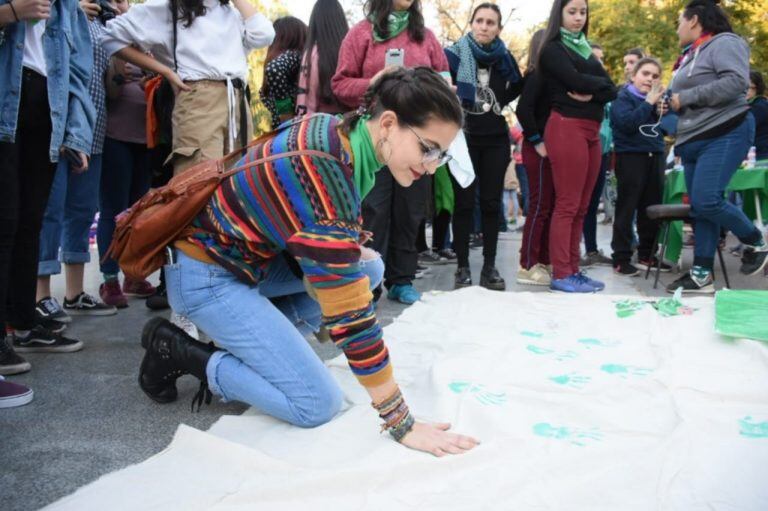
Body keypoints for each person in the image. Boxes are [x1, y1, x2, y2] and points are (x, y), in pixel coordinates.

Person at [138, 67, 479, 456]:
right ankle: (179, 351)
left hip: (246, 261)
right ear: (388, 123)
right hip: (207, 277)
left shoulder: (338, 130)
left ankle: (256, 344)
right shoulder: (325, 176)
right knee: (316, 403)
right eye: (428, 148)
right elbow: (352, 320)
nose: (433, 166)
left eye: (443, 154)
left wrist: (349, 245)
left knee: (370, 268)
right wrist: (400, 421)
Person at [332, 0, 449, 305]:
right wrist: (374, 83)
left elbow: (445, 81)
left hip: (419, 138)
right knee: (373, 209)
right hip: (376, 138)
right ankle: (367, 283)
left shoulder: (425, 36)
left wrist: (433, 89)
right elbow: (340, 84)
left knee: (411, 211)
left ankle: (402, 279)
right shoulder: (360, 34)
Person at [0, 0, 93, 374]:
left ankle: (23, 322)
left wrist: (76, 133)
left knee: (30, 222)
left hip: (45, 109)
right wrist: (12, 12)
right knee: (4, 220)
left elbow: (76, 73)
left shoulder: (67, 6)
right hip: (6, 102)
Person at [101, 0, 275, 176]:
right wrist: (166, 72)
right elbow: (110, 37)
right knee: (199, 184)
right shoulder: (170, 8)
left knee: (237, 184)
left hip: (237, 101)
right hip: (198, 99)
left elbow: (264, 35)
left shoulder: (232, 12)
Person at [667, 0, 767, 293]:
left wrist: (685, 98)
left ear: (694, 20)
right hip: (694, 137)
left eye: (679, 22)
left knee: (708, 199)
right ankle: (701, 274)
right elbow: (688, 95)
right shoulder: (690, 55)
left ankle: (755, 241)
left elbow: (736, 83)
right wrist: (670, 102)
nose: (677, 29)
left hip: (726, 131)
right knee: (699, 207)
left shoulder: (725, 42)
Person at [35, 0, 120, 327]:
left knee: (82, 210)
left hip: (92, 128)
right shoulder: (57, 11)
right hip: (56, 124)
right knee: (50, 209)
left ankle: (74, 292)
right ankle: (41, 296)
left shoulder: (102, 22)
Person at [538, 0, 617, 293]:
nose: (578, 18)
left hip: (592, 132)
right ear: (559, 14)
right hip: (566, 127)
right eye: (572, 12)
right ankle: (561, 272)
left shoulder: (585, 49)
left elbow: (612, 89)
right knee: (568, 204)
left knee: (584, 206)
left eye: (583, 12)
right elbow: (575, 81)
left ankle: (573, 269)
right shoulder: (553, 50)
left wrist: (591, 90)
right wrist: (597, 87)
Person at [445, 2, 522, 291]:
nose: (485, 26)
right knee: (463, 204)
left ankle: (489, 267)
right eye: (480, 20)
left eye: (491, 22)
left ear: (498, 28)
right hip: (463, 138)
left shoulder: (505, 58)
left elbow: (517, 84)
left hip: (495, 138)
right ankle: (462, 266)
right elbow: (440, 87)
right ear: (472, 23)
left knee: (491, 204)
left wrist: (499, 103)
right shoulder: (453, 55)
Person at [97, 0, 158, 309]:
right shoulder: (109, 39)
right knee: (114, 208)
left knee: (139, 212)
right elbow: (111, 90)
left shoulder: (150, 44)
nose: (124, 6)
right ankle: (109, 279)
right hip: (115, 137)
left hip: (145, 138)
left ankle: (133, 275)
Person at [610, 57, 669, 277]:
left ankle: (647, 254)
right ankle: (621, 258)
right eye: (645, 74)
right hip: (631, 157)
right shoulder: (622, 97)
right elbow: (626, 124)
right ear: (633, 75)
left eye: (655, 76)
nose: (650, 79)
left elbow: (670, 125)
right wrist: (648, 104)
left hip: (656, 155)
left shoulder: (660, 100)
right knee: (627, 207)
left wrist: (663, 110)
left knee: (651, 208)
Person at [515, 29, 553, 287]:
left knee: (549, 206)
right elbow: (523, 110)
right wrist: (537, 140)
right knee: (539, 206)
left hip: (550, 148)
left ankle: (543, 259)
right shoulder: (537, 74)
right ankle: (527, 264)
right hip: (537, 148)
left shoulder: (551, 77)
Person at [579, 41, 613, 268]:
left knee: (592, 204)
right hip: (583, 150)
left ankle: (591, 250)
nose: (598, 62)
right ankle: (571, 252)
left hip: (604, 152)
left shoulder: (606, 90)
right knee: (578, 203)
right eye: (593, 57)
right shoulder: (579, 87)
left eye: (601, 58)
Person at [295, 0, 348, 116]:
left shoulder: (313, 54)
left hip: (322, 123)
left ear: (315, 22)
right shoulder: (353, 48)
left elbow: (306, 100)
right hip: (354, 122)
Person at [260, 16, 307, 130]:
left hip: (279, 138)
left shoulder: (275, 62)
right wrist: (288, 119)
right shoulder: (296, 56)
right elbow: (275, 69)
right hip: (297, 134)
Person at [748, 70, 767, 160]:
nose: (745, 91)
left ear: (757, 88)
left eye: (749, 87)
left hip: (760, 155)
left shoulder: (759, 106)